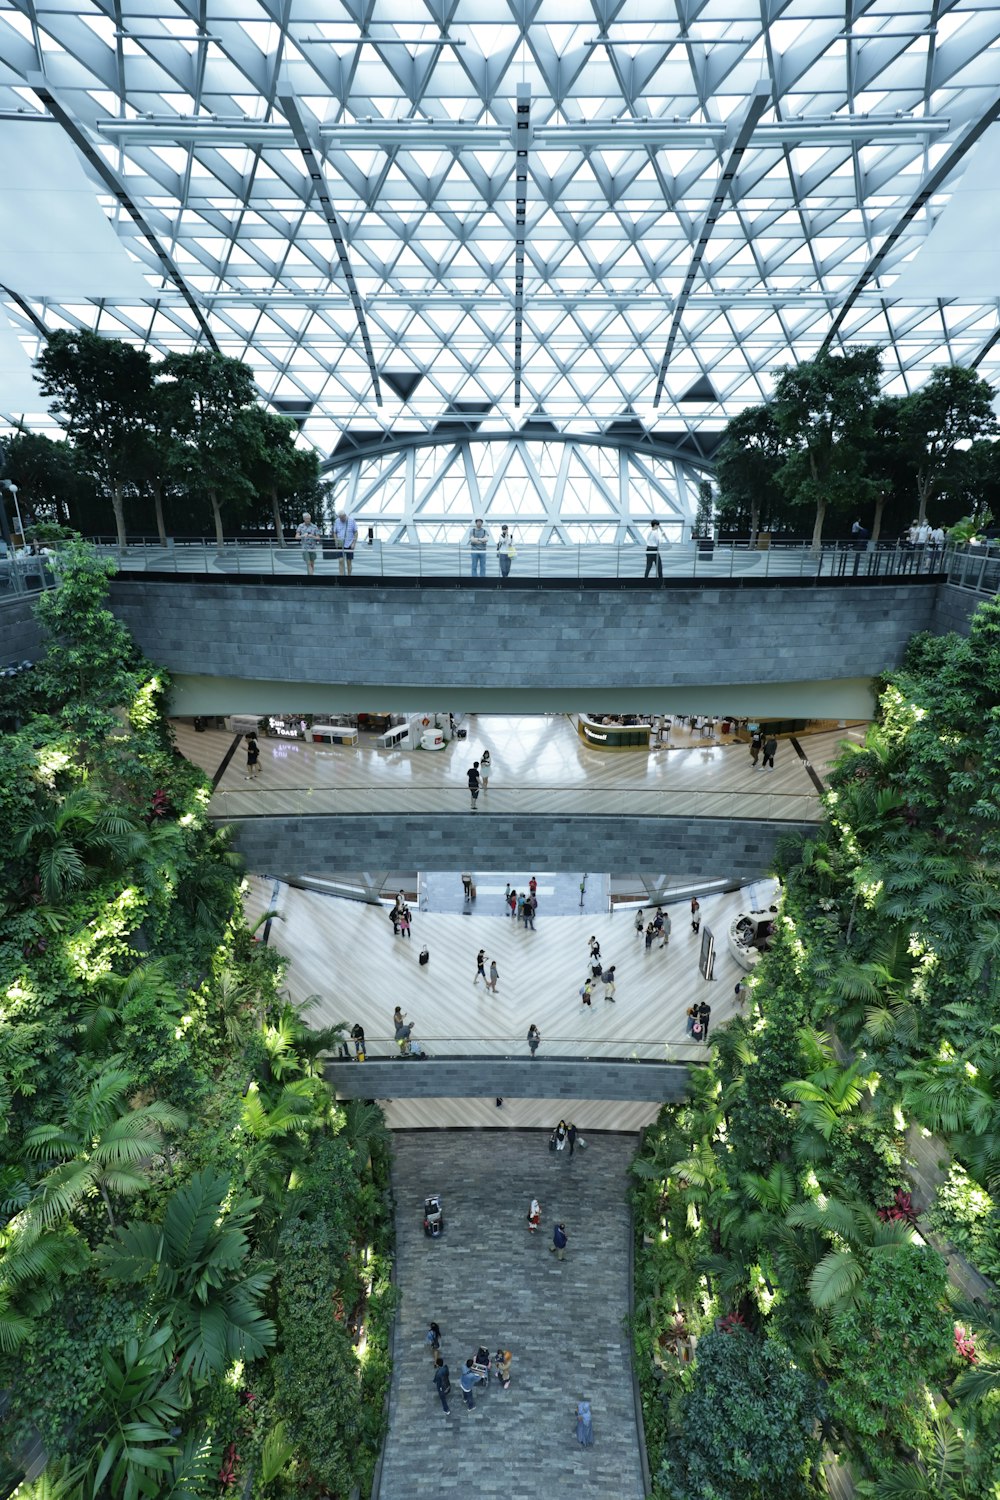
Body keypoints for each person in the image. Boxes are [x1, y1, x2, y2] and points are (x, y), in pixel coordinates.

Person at [333, 508, 358, 576]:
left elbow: (355, 532)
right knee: (340, 560)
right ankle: (341, 575)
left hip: (349, 543)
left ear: (345, 515)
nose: (341, 520)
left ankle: (349, 575)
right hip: (340, 543)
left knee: (349, 561)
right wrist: (336, 541)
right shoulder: (337, 521)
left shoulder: (352, 520)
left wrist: (354, 543)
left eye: (342, 518)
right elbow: (334, 532)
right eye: (340, 518)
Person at [295, 511, 320, 575]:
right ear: (304, 519)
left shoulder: (314, 526)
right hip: (305, 548)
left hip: (313, 548)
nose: (308, 520)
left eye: (309, 518)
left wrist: (313, 536)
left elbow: (318, 538)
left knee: (312, 563)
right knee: (308, 563)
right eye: (307, 518)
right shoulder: (300, 526)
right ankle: (311, 577)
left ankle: (310, 576)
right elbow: (296, 537)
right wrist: (302, 536)